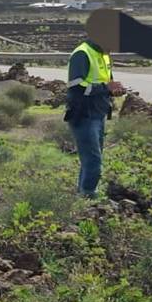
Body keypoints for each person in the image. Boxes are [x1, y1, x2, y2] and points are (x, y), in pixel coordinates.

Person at [64, 34, 121, 196]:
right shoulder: (82, 53)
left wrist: (114, 90)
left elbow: (106, 82)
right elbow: (76, 86)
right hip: (83, 114)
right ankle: (88, 195)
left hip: (99, 113)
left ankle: (83, 193)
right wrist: (105, 88)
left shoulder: (104, 55)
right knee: (93, 160)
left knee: (91, 159)